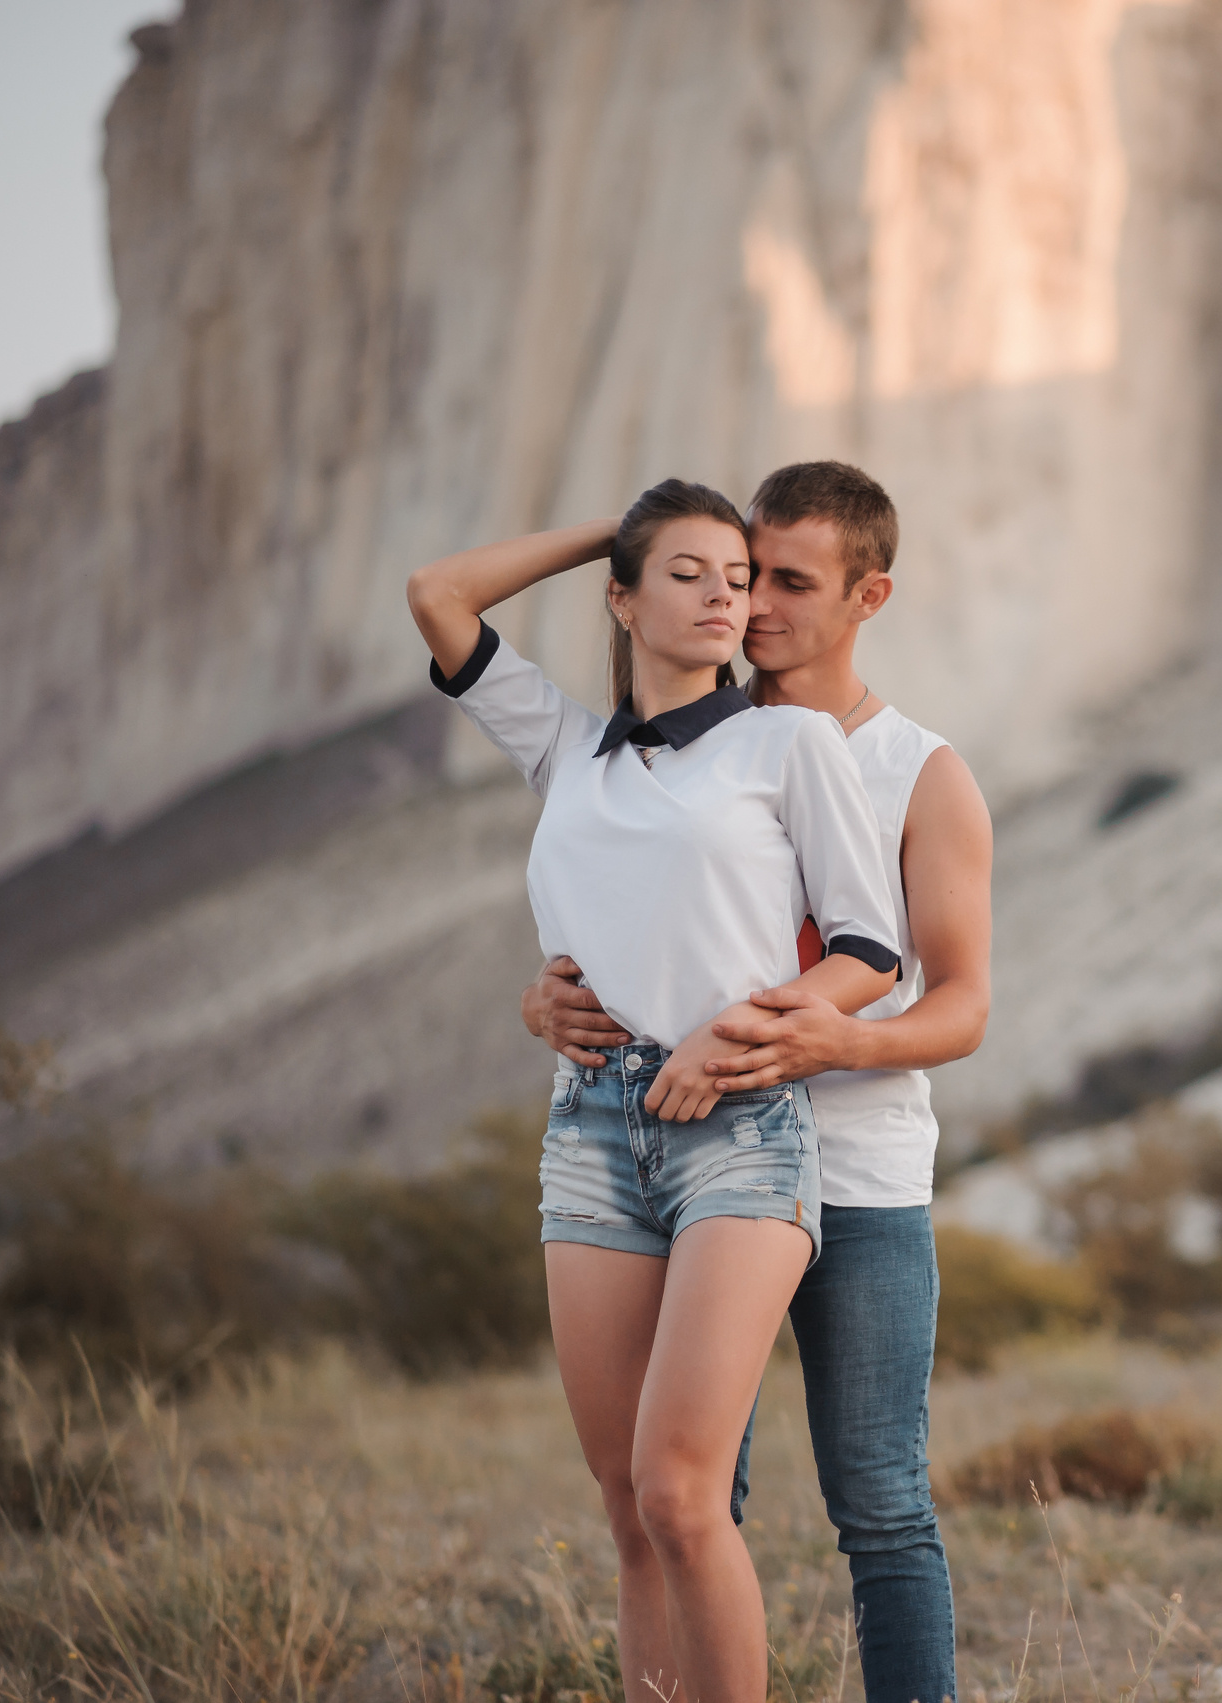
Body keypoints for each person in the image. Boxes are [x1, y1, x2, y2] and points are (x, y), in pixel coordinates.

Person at [408, 479, 904, 1703]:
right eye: (688, 573)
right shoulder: (564, 742)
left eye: (738, 576)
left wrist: (741, 1030)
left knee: (684, 1492)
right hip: (587, 1131)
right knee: (628, 1503)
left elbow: (868, 949)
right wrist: (610, 528)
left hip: (738, 1125)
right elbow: (438, 595)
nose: (726, 595)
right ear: (620, 599)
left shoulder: (788, 743)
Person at [523, 461, 991, 1703]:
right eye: (741, 572)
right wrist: (547, 1001)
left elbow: (961, 1000)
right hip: (677, 1156)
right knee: (679, 1493)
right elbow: (625, 932)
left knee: (880, 1499)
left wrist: (826, 1039)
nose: (756, 605)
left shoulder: (917, 770)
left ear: (866, 594)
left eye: (786, 580)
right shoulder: (679, 752)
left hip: (865, 1173)